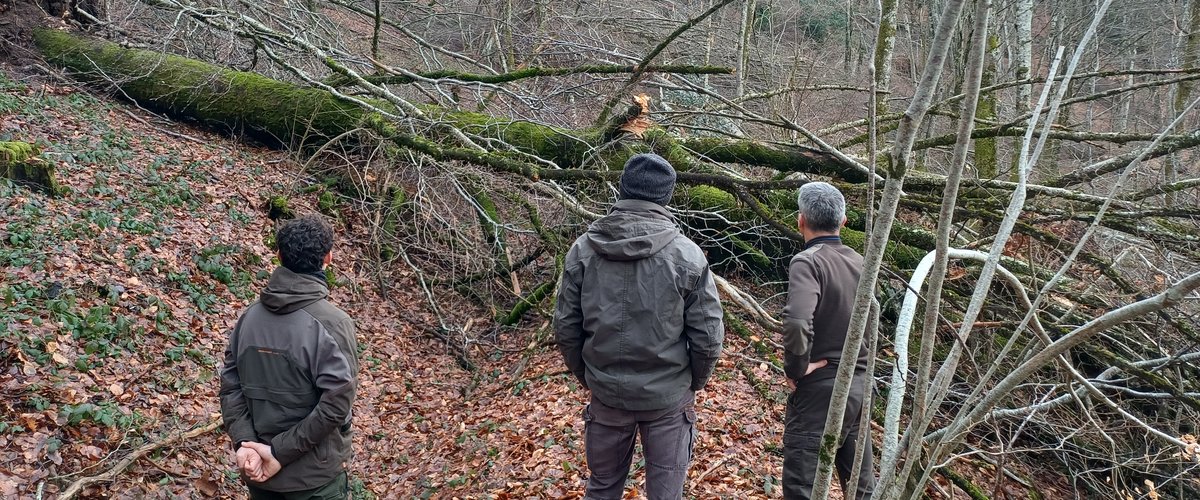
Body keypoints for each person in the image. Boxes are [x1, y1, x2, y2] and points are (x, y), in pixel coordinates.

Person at [554, 153, 725, 499]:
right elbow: (708, 336)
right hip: (668, 398)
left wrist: (588, 376)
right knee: (665, 494)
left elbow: (565, 327)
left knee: (602, 488)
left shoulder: (583, 250)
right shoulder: (687, 255)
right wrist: (693, 382)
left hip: (608, 393)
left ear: (622, 189)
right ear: (666, 196)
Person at [219, 215, 359, 499]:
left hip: (258, 471)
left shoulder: (249, 318)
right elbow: (337, 406)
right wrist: (277, 453)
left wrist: (246, 443)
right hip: (315, 481)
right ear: (328, 258)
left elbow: (230, 385)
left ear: (279, 255)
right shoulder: (334, 324)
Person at [781, 181, 874, 499]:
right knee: (861, 487)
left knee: (802, 486)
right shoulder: (862, 263)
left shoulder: (807, 262)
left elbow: (796, 322)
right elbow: (872, 323)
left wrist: (796, 368)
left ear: (800, 220)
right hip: (859, 388)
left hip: (820, 389)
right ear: (843, 222)